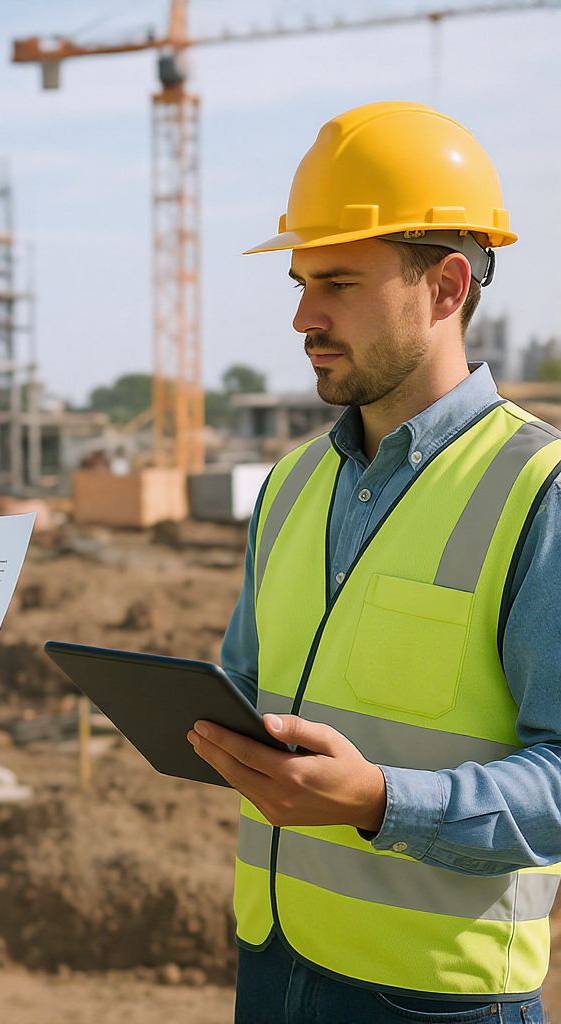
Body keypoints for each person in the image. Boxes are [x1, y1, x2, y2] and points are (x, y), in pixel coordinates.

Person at [187, 101, 561, 1023]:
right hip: (272, 962)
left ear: (445, 288)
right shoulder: (289, 485)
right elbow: (249, 683)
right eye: (301, 282)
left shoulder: (539, 490)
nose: (303, 315)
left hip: (439, 998)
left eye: (338, 283)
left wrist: (384, 801)